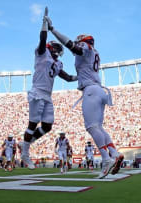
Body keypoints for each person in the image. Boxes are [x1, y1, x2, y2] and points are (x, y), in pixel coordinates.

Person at [45, 12, 124, 179]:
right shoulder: (95, 52)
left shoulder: (86, 49)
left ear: (84, 42)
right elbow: (79, 74)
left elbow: (70, 45)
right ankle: (114, 153)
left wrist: (53, 30)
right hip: (98, 90)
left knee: (91, 127)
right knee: (99, 127)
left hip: (91, 91)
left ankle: (106, 158)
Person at [21, 7, 77, 169]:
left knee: (47, 126)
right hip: (37, 91)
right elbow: (42, 38)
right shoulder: (42, 52)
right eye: (58, 50)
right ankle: (25, 154)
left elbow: (66, 77)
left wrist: (81, 77)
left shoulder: (58, 63)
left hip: (47, 95)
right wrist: (44, 23)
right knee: (32, 124)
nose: (59, 53)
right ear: (51, 47)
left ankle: (25, 143)